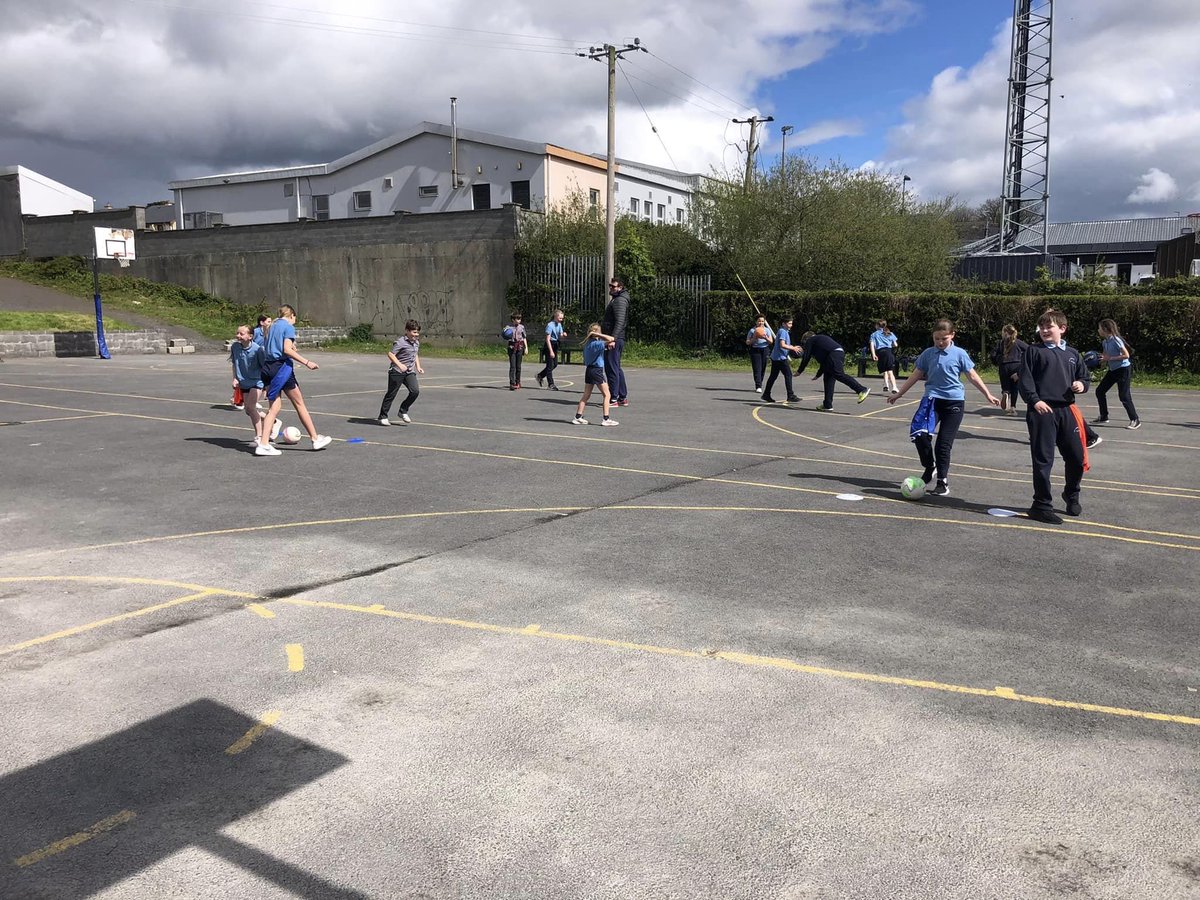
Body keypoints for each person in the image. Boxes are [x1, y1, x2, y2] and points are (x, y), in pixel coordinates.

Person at [888, 319, 1000, 496]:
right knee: (920, 435)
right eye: (937, 339)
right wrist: (899, 393)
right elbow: (916, 374)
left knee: (943, 444)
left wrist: (988, 394)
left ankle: (942, 481)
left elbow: (972, 375)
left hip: (954, 403)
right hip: (931, 400)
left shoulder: (960, 354)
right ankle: (929, 465)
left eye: (944, 339)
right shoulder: (928, 354)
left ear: (952, 335)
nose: (940, 342)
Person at [1018, 308, 1091, 524]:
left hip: (1067, 411)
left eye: (1049, 326)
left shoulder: (1072, 354)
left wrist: (1081, 385)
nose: (1044, 330)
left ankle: (1071, 494)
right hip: (1042, 411)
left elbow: (1084, 377)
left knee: (1076, 459)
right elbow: (1025, 380)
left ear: (1062, 329)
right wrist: (1035, 400)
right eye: (1041, 327)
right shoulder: (1034, 351)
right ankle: (1040, 505)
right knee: (1043, 460)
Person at [255, 304, 333, 456]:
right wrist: (307, 362)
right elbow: (286, 350)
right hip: (282, 368)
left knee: (274, 408)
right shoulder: (288, 327)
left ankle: (264, 442)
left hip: (268, 367)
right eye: (294, 320)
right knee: (298, 404)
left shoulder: (271, 326)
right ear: (292, 315)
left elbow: (274, 346)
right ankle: (315, 439)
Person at [795, 331, 871, 410]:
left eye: (804, 343)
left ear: (806, 339)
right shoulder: (819, 342)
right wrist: (818, 375)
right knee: (828, 379)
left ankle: (861, 390)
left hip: (834, 353)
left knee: (839, 374)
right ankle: (827, 405)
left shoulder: (810, 340)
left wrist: (800, 371)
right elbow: (824, 362)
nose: (805, 345)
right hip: (836, 353)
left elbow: (806, 357)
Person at [1094, 318, 1141, 429]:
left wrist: (1110, 358)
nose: (1098, 330)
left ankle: (1135, 419)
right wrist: (1100, 360)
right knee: (1100, 391)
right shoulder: (1105, 342)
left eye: (1099, 328)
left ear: (1105, 329)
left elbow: (1126, 355)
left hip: (1123, 370)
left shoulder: (1116, 340)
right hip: (1113, 370)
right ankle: (1104, 416)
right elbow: (1105, 356)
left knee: (1124, 396)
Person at [377, 319, 424, 425]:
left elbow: (415, 354)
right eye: (414, 332)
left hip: (409, 372)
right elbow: (391, 354)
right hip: (396, 371)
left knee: (415, 391)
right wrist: (400, 365)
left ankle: (403, 410)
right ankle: (383, 416)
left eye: (417, 332)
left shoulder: (416, 342)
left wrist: (418, 366)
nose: (416, 334)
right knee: (391, 394)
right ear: (407, 331)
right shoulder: (400, 342)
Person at [572, 324, 618, 426]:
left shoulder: (589, 343)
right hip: (596, 371)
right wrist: (598, 335)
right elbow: (611, 338)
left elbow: (604, 346)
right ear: (597, 333)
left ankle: (577, 417)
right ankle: (606, 419)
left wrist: (606, 345)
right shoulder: (597, 344)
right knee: (607, 395)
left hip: (589, 370)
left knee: (586, 396)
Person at [230, 324, 267, 447]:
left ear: (250, 336)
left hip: (257, 381)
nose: (238, 336)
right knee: (249, 410)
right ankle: (272, 420)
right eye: (237, 333)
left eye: (241, 334)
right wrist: (235, 377)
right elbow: (234, 363)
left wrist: (267, 386)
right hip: (243, 382)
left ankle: (260, 437)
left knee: (250, 408)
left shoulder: (258, 349)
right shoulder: (235, 347)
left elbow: (264, 367)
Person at [760, 315, 802, 404]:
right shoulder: (783, 331)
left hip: (776, 357)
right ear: (783, 323)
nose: (791, 325)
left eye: (791, 323)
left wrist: (792, 347)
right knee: (788, 375)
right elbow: (782, 345)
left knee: (773, 376)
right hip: (780, 358)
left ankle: (766, 394)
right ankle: (790, 395)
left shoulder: (783, 331)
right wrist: (793, 348)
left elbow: (783, 345)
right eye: (789, 323)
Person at [601, 277, 630, 406]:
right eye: (610, 286)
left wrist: (612, 338)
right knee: (616, 368)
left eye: (613, 286)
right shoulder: (616, 300)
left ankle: (614, 398)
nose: (611, 288)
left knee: (611, 368)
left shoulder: (619, 301)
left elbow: (619, 321)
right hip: (613, 338)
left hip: (614, 339)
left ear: (620, 288)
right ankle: (622, 397)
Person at [990, 324, 1028, 416]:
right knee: (1015, 388)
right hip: (1016, 366)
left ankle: (1005, 393)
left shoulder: (1000, 343)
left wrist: (998, 361)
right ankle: (1012, 408)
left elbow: (993, 355)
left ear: (1005, 332)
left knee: (1005, 386)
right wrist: (1023, 361)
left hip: (1004, 366)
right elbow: (1029, 349)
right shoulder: (1018, 342)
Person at [536, 309, 566, 391]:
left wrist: (563, 335)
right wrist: (551, 351)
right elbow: (547, 339)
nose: (561, 320)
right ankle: (551, 384)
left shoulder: (559, 325)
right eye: (560, 318)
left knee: (555, 364)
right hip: (549, 345)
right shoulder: (550, 325)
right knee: (549, 366)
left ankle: (540, 375)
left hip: (555, 344)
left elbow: (560, 336)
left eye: (562, 318)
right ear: (555, 317)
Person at [868, 320, 900, 394]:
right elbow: (895, 344)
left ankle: (886, 384)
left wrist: (873, 354)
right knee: (890, 370)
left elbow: (872, 345)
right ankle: (894, 387)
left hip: (880, 352)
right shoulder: (889, 333)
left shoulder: (874, 334)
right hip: (888, 351)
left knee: (885, 370)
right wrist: (889, 345)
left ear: (878, 326)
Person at [745, 315, 775, 393]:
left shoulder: (767, 330)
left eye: (762, 321)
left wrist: (765, 337)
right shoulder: (752, 330)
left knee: (763, 367)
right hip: (755, 350)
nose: (761, 322)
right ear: (756, 322)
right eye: (759, 321)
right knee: (757, 368)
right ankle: (758, 385)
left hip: (765, 349)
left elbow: (771, 341)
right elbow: (747, 342)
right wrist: (754, 338)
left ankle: (760, 382)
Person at [504, 312, 528, 390]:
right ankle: (512, 383)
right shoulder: (508, 327)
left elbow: (524, 337)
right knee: (512, 366)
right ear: (513, 320)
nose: (518, 320)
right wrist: (505, 332)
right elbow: (504, 334)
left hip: (520, 347)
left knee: (518, 366)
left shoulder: (522, 327)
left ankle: (518, 382)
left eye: (519, 318)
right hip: (512, 347)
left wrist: (526, 347)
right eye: (517, 319)